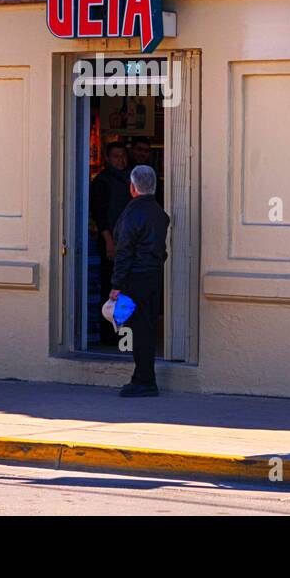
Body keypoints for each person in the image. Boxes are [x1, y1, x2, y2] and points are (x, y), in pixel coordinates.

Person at [109, 165, 170, 397]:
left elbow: (124, 251)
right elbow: (161, 249)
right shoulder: (158, 212)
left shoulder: (132, 214)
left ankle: (144, 380)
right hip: (153, 275)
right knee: (148, 327)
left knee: (139, 330)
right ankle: (143, 377)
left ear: (132, 187)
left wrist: (117, 284)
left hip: (135, 277)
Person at [89, 141, 132, 344]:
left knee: (127, 288)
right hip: (111, 244)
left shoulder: (131, 179)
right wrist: (109, 242)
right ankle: (110, 335)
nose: (120, 160)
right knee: (111, 287)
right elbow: (100, 215)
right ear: (108, 158)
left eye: (123, 155)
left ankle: (126, 334)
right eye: (116, 156)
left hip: (129, 243)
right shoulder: (102, 181)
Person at [129, 136, 163, 205]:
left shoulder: (152, 173)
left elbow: (158, 197)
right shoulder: (123, 170)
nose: (142, 153)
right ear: (132, 150)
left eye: (146, 151)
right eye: (139, 149)